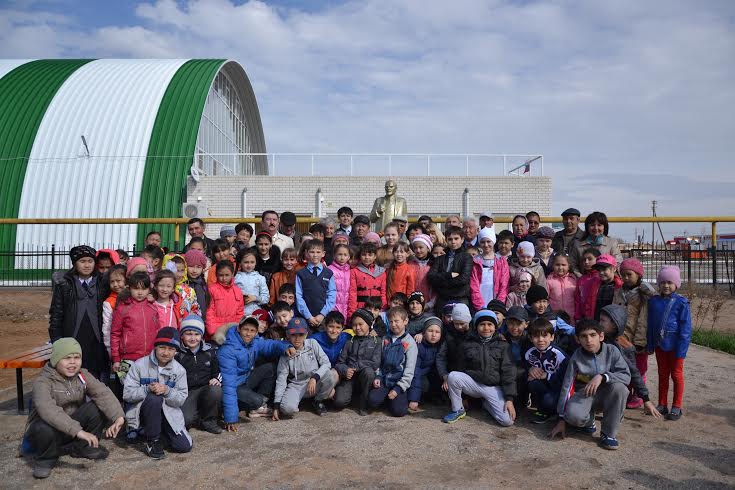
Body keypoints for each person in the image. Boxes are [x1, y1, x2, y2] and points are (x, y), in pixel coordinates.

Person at [21, 338, 124, 479]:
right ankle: (46, 459)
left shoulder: (82, 375)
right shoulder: (43, 382)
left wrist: (118, 417)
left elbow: (102, 393)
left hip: (72, 429)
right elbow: (48, 410)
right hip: (51, 430)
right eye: (67, 358)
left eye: (77, 357)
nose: (73, 362)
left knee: (96, 407)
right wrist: (79, 431)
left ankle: (82, 447)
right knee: (42, 427)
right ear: (56, 360)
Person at [550, 319, 631, 450]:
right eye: (584, 336)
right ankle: (589, 421)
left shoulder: (612, 351)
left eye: (593, 335)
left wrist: (603, 377)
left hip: (607, 393)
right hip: (585, 393)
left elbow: (626, 376)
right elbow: (567, 386)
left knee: (621, 388)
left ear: (601, 336)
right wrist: (561, 419)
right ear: (577, 339)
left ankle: (608, 434)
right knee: (573, 416)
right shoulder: (576, 357)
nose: (589, 340)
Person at [123, 327, 192, 459]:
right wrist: (147, 389)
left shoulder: (179, 371)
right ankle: (152, 440)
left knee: (184, 446)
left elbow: (181, 399)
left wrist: (167, 391)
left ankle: (153, 433)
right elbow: (127, 394)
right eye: (162, 348)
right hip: (142, 411)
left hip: (167, 413)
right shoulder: (139, 365)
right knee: (154, 398)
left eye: (171, 349)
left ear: (176, 351)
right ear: (155, 347)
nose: (166, 353)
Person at [218, 317, 295, 429]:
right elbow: (229, 385)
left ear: (256, 332)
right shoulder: (228, 350)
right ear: (239, 329)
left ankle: (258, 406)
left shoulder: (254, 342)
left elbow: (270, 345)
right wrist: (231, 418)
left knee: (270, 368)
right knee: (256, 400)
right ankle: (235, 409)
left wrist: (287, 347)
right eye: (246, 329)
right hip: (235, 385)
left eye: (252, 330)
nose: (248, 334)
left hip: (246, 379)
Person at [443, 309, 516, 426]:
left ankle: (486, 404)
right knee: (453, 376)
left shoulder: (503, 345)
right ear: (476, 326)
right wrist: (464, 397)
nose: (486, 328)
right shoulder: (467, 344)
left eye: (490, 324)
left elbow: (508, 372)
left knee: (507, 421)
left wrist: (509, 399)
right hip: (474, 384)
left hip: (493, 387)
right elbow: (460, 368)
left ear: (495, 327)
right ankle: (458, 409)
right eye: (482, 324)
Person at [49, 245, 108, 379]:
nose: (87, 265)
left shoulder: (102, 282)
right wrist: (56, 339)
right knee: (73, 371)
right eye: (82, 261)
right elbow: (56, 313)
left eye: (90, 261)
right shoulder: (64, 284)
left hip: (96, 337)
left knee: (95, 373)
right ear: (75, 263)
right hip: (73, 335)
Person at [599, 305, 662, 419]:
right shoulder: (595, 338)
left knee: (619, 387)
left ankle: (614, 410)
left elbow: (634, 373)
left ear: (614, 324)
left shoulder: (624, 347)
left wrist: (646, 399)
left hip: (611, 382)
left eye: (603, 321)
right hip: (596, 381)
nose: (599, 323)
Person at [647, 265, 691, 421]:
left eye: (670, 282)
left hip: (676, 347)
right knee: (662, 374)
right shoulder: (654, 302)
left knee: (677, 375)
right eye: (663, 282)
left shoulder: (681, 303)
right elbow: (651, 324)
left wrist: (682, 350)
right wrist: (650, 344)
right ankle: (662, 404)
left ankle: (677, 406)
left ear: (676, 284)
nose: (666, 285)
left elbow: (685, 329)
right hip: (660, 346)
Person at [273, 317, 337, 419]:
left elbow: (326, 363)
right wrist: (276, 405)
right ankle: (298, 401)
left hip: (314, 381)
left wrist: (314, 377)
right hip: (297, 385)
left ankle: (317, 400)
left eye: (301, 334)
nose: (297, 338)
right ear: (287, 335)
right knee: (287, 409)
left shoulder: (312, 343)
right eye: (293, 335)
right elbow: (281, 379)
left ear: (306, 334)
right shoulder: (286, 352)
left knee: (331, 375)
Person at [613, 258, 656, 408]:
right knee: (626, 366)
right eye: (623, 274)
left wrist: (646, 287)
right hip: (623, 336)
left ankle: (638, 395)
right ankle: (628, 393)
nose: (625, 278)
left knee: (640, 367)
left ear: (639, 274)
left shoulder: (643, 292)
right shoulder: (619, 291)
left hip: (639, 337)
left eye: (629, 274)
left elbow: (654, 297)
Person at [175, 315, 223, 434]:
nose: (193, 338)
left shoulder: (209, 352)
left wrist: (216, 379)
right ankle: (197, 416)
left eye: (196, 334)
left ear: (201, 336)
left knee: (215, 390)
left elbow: (217, 371)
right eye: (189, 334)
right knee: (185, 420)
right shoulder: (177, 355)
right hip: (187, 392)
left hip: (204, 389)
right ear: (182, 335)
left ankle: (209, 420)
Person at [368, 306, 418, 417]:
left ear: (405, 321)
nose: (393, 324)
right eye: (390, 322)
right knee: (372, 401)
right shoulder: (385, 339)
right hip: (385, 380)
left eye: (396, 321)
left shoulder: (410, 343)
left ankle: (394, 398)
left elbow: (409, 371)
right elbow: (379, 361)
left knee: (398, 412)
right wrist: (378, 377)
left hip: (398, 382)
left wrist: (397, 389)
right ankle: (385, 397)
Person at [110, 271, 160, 380]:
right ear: (129, 288)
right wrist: (116, 359)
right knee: (127, 391)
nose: (140, 292)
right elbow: (115, 334)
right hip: (126, 359)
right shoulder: (122, 309)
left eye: (144, 289)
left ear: (149, 290)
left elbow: (157, 332)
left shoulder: (153, 308)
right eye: (136, 288)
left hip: (150, 358)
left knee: (147, 390)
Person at [334, 309, 383, 415]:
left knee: (369, 372)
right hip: (350, 378)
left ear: (369, 324)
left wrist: (356, 366)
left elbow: (375, 363)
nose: (357, 328)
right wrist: (345, 370)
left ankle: (364, 402)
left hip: (365, 377)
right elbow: (339, 363)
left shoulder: (377, 341)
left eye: (361, 324)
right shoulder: (349, 342)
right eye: (354, 325)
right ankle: (353, 396)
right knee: (339, 402)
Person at [525, 318, 568, 423]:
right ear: (530, 338)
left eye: (545, 336)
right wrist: (530, 369)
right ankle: (542, 409)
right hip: (543, 386)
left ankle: (553, 411)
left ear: (552, 337)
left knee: (548, 400)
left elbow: (566, 379)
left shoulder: (559, 355)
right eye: (536, 336)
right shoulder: (529, 353)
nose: (540, 340)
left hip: (558, 389)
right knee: (532, 383)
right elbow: (524, 366)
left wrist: (547, 376)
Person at [427, 226, 473, 315]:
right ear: (446, 240)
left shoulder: (466, 257)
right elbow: (431, 277)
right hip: (443, 299)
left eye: (456, 239)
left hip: (460, 298)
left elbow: (464, 279)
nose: (453, 242)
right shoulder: (440, 259)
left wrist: (442, 282)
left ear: (462, 239)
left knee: (460, 324)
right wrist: (449, 275)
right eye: (450, 239)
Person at [295, 239, 337, 332]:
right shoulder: (301, 274)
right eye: (312, 252)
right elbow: (299, 296)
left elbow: (332, 294)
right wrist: (308, 316)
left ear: (323, 253)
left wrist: (322, 314)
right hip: (306, 318)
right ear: (306, 253)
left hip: (323, 318)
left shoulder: (328, 273)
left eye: (318, 252)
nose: (315, 255)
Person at [569, 211, 623, 276]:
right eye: (592, 225)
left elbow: (618, 263)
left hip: (605, 280)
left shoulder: (611, 243)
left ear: (604, 227)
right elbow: (572, 264)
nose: (596, 228)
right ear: (587, 227)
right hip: (584, 281)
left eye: (599, 225)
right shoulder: (577, 244)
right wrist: (581, 278)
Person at [407, 316, 444, 412]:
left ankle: (436, 396)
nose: (434, 335)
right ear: (424, 332)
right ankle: (417, 397)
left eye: (437, 332)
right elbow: (416, 372)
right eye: (430, 331)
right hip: (417, 376)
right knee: (424, 384)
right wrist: (414, 399)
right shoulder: (419, 346)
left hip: (430, 374)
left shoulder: (441, 345)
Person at [500, 306, 532, 410]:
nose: (514, 327)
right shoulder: (502, 338)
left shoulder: (530, 339)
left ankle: (523, 401)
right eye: (511, 323)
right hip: (508, 367)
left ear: (526, 324)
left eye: (518, 324)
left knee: (520, 373)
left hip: (524, 367)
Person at [436, 303, 472, 394]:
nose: (459, 327)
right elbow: (441, 357)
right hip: (453, 372)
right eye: (456, 324)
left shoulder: (475, 334)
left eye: (462, 323)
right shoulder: (449, 334)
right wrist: (444, 375)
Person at [205, 260, 244, 339]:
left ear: (232, 274)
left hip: (233, 329)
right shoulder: (212, 290)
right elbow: (209, 312)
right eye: (221, 275)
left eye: (227, 275)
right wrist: (212, 331)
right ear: (216, 275)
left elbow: (240, 312)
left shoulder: (237, 291)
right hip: (217, 329)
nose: (224, 278)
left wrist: (237, 327)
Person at [348, 242, 387, 319]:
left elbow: (383, 292)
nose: (366, 257)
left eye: (370, 255)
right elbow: (352, 293)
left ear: (375, 256)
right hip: (361, 307)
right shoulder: (354, 271)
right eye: (364, 254)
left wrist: (383, 308)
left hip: (376, 307)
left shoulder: (381, 272)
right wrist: (352, 312)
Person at [477, 226, 509, 305]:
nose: (486, 245)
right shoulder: (475, 261)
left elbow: (504, 285)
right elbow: (473, 285)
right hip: (479, 301)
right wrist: (478, 305)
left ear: (493, 242)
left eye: (488, 241)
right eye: (482, 242)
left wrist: (498, 304)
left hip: (495, 302)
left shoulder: (501, 261)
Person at [161, 253, 200, 319]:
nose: (179, 275)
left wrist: (189, 310)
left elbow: (196, 310)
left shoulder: (189, 291)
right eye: (175, 270)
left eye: (182, 270)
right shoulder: (161, 289)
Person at [585, 254, 623, 321]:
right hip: (596, 322)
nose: (601, 273)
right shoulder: (594, 286)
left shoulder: (620, 286)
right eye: (599, 270)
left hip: (612, 324)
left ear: (614, 269)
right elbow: (588, 305)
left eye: (604, 269)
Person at [101, 264, 126, 359]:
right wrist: (110, 350)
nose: (115, 285)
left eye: (118, 281)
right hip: (117, 349)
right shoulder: (109, 302)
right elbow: (107, 328)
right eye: (112, 282)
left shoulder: (135, 298)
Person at [234, 248, 269, 316]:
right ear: (240, 262)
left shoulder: (260, 278)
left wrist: (255, 298)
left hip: (256, 314)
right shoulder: (235, 278)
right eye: (246, 262)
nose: (249, 265)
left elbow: (266, 298)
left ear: (256, 262)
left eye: (252, 262)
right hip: (239, 313)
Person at [546, 254, 577, 323]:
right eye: (557, 265)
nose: (560, 267)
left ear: (569, 266)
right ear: (553, 265)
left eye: (563, 265)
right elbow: (546, 300)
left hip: (572, 318)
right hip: (554, 318)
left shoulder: (574, 280)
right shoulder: (549, 281)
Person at [574, 248, 602, 323]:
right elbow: (577, 300)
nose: (586, 262)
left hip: (599, 317)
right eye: (584, 260)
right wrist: (577, 317)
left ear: (597, 259)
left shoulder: (601, 278)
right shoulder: (581, 280)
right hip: (584, 318)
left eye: (590, 259)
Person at [410, 234, 434, 310]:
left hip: (428, 303)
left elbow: (436, 288)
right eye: (415, 248)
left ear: (428, 248)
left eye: (421, 247)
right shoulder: (410, 263)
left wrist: (431, 303)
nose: (418, 250)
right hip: (413, 304)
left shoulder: (433, 264)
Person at [328, 243, 352, 318]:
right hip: (333, 308)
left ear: (349, 257)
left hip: (347, 309)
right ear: (334, 255)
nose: (342, 257)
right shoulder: (329, 270)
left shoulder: (351, 270)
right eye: (339, 254)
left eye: (345, 255)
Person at [184, 248, 209, 321]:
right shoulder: (182, 284)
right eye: (191, 266)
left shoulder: (204, 283)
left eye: (198, 267)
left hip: (202, 321)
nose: (194, 270)